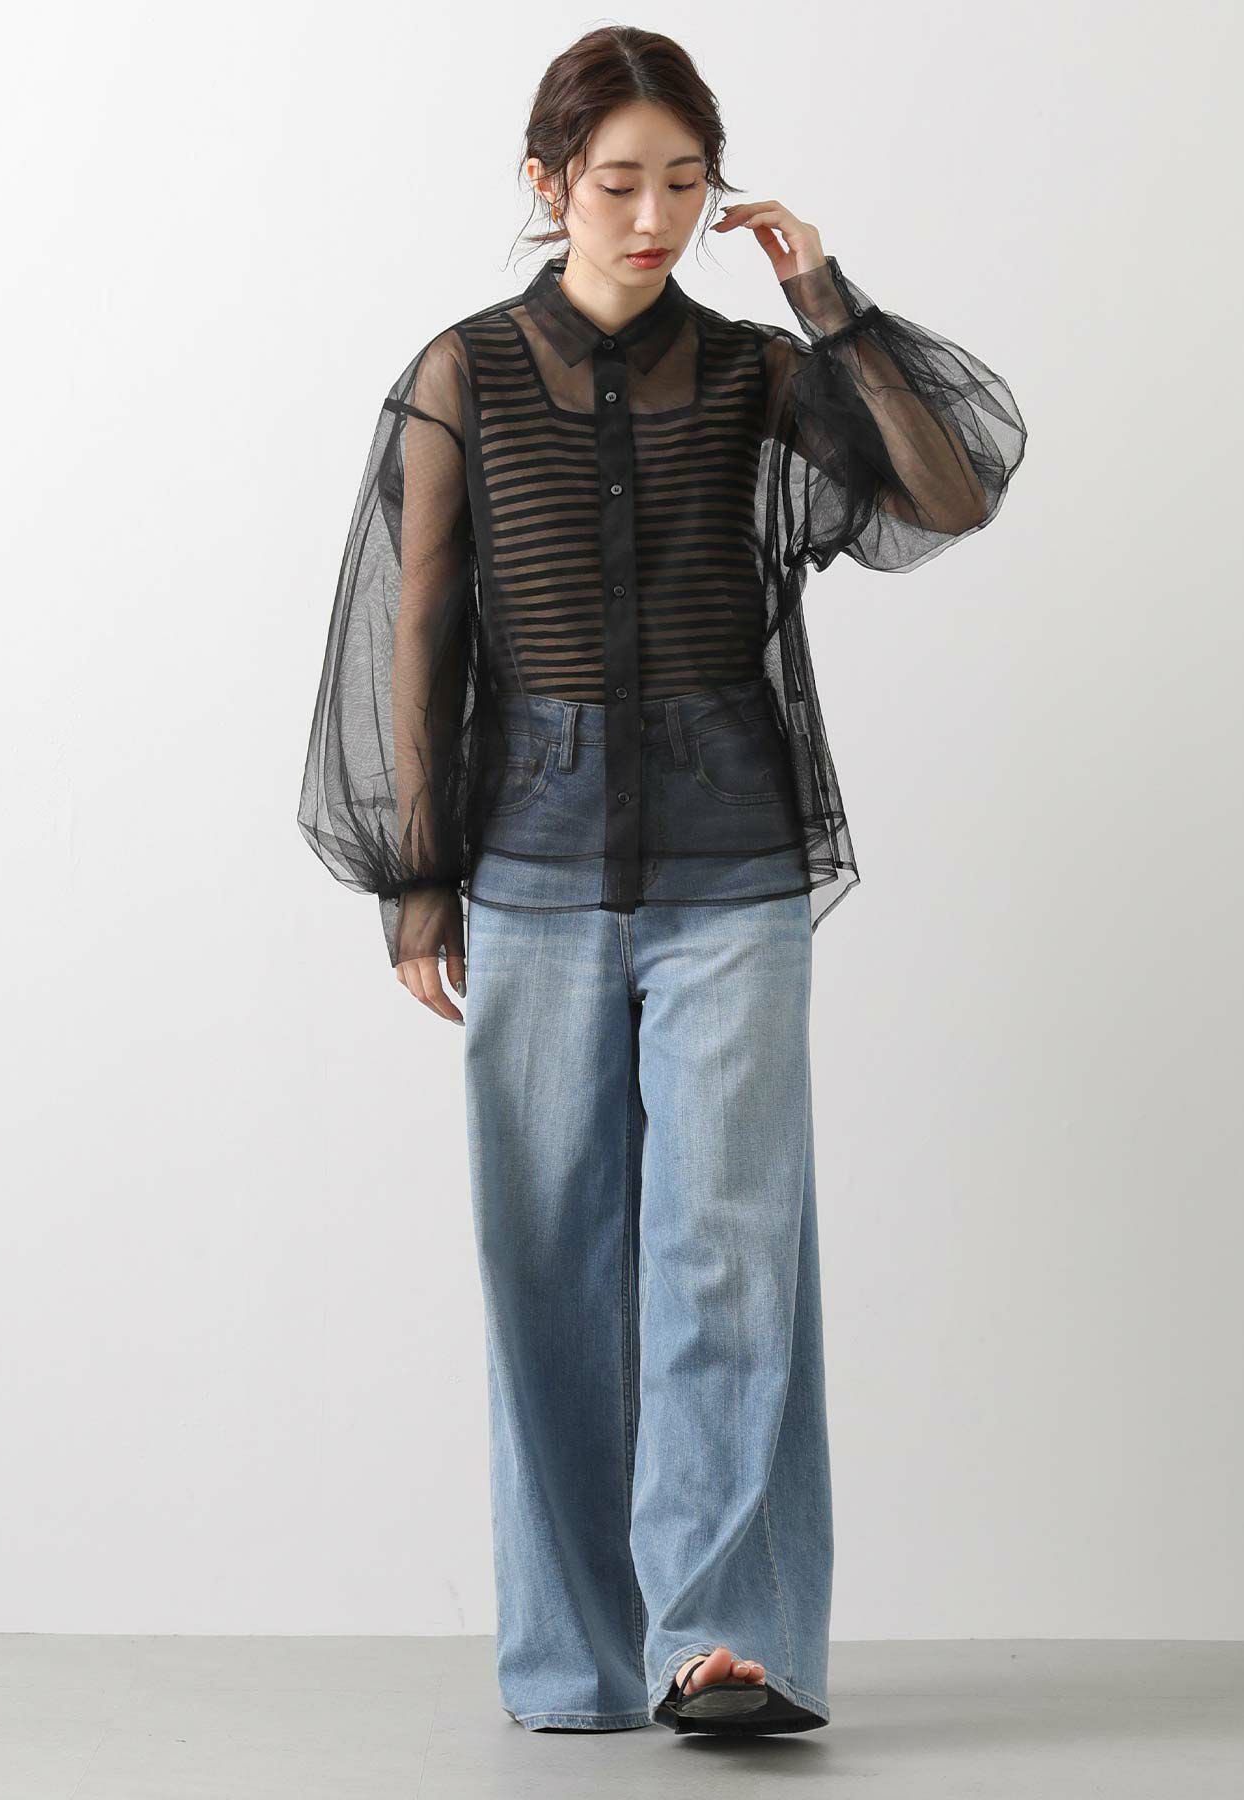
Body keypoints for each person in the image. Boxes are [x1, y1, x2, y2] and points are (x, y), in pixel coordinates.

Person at [298, 24, 1027, 1738]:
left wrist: (827, 298)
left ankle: (721, 1641)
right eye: (618, 181)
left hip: (734, 874)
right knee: (549, 1264)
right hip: (530, 873)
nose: (652, 217)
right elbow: (416, 636)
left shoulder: (764, 373)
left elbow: (948, 495)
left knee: (730, 1257)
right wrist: (418, 886)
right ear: (546, 182)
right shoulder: (464, 373)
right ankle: (576, 1659)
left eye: (686, 183)